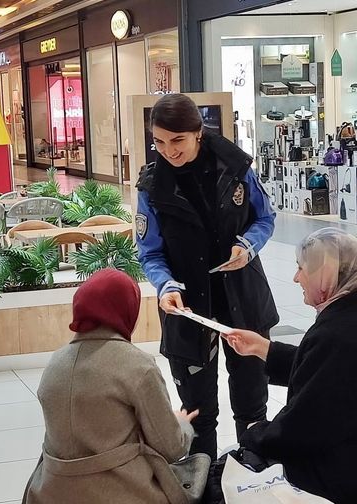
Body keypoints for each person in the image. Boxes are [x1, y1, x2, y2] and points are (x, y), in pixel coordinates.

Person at [222, 229, 357, 503]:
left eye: (301, 268)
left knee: (243, 470)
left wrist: (254, 434)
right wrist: (262, 348)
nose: (296, 277)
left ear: (326, 275)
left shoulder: (340, 333)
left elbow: (304, 428)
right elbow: (331, 373)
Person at [136, 93, 279, 460]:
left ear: (198, 133)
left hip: (243, 300)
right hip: (187, 308)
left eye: (177, 140)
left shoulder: (236, 168)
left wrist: (247, 246)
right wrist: (165, 286)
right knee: (198, 415)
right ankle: (202, 489)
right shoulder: (152, 187)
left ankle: (252, 482)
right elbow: (150, 252)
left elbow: (265, 218)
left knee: (252, 407)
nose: (168, 151)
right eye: (159, 142)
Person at [23, 269, 204, 504]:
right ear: (128, 310)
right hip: (123, 491)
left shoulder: (54, 364)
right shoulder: (138, 366)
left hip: (50, 492)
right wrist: (182, 424)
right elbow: (170, 448)